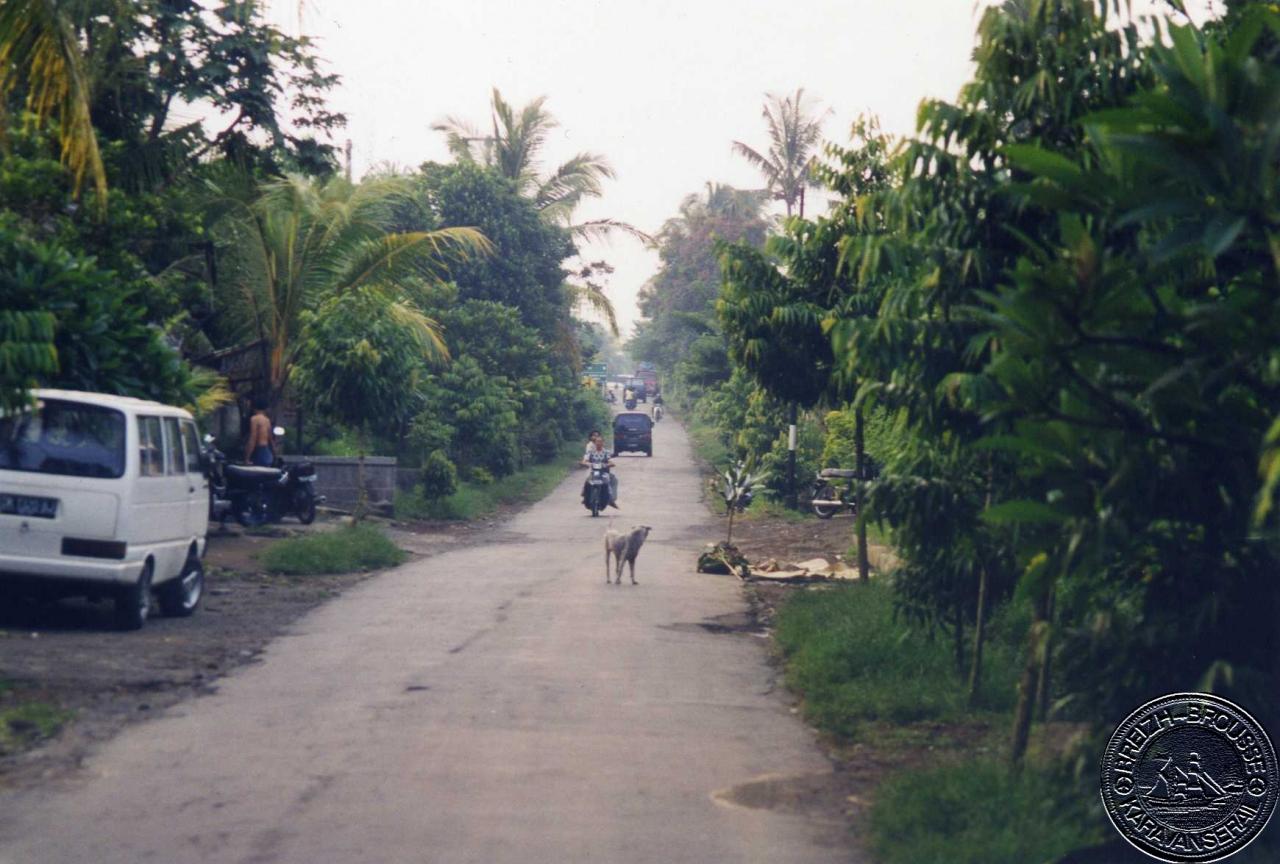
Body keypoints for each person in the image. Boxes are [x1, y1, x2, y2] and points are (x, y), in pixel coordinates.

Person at [580, 430, 619, 508]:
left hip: (604, 472)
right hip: (593, 471)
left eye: (600, 442)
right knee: (587, 480)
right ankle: (585, 496)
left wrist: (607, 465)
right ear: (595, 443)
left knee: (609, 481)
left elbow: (611, 462)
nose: (599, 443)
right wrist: (587, 463)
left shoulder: (606, 452)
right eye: (597, 442)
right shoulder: (591, 452)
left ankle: (610, 498)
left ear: (603, 443)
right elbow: (584, 460)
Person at [243, 397, 276, 467]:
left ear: (254, 407)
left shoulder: (254, 419)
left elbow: (253, 438)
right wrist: (275, 454)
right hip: (266, 451)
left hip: (259, 451)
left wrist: (247, 458)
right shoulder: (267, 420)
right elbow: (270, 439)